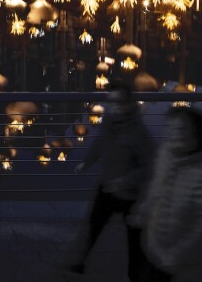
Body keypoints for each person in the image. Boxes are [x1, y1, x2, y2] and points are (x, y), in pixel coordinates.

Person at [137, 106, 202, 282]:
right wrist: (144, 214)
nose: (174, 134)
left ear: (199, 134)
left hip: (193, 265)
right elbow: (156, 191)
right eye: (171, 128)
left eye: (181, 129)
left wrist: (176, 255)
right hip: (159, 253)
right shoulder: (167, 156)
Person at [68, 82, 156, 279]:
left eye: (119, 102)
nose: (114, 107)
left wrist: (126, 180)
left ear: (128, 103)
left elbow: (149, 166)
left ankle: (135, 275)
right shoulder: (109, 120)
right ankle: (79, 262)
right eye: (112, 102)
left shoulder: (138, 132)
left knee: (134, 238)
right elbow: (100, 142)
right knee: (93, 226)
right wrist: (87, 162)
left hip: (130, 194)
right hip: (107, 186)